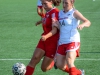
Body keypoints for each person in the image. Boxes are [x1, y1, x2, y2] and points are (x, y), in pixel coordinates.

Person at [53, 0, 91, 75]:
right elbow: (62, 28)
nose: (64, 5)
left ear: (72, 3)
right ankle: (79, 72)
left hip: (72, 40)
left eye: (66, 3)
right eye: (63, 2)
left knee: (69, 60)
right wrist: (57, 25)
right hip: (62, 41)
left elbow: (87, 21)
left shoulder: (74, 12)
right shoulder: (60, 13)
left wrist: (82, 25)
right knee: (60, 65)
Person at [25, 0, 61, 75]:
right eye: (42, 4)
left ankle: (54, 61)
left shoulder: (55, 12)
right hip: (44, 40)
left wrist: (46, 36)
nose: (43, 6)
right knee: (34, 59)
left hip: (52, 43)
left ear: (51, 2)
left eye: (45, 4)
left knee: (44, 68)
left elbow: (55, 30)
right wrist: (40, 21)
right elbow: (47, 18)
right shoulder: (48, 11)